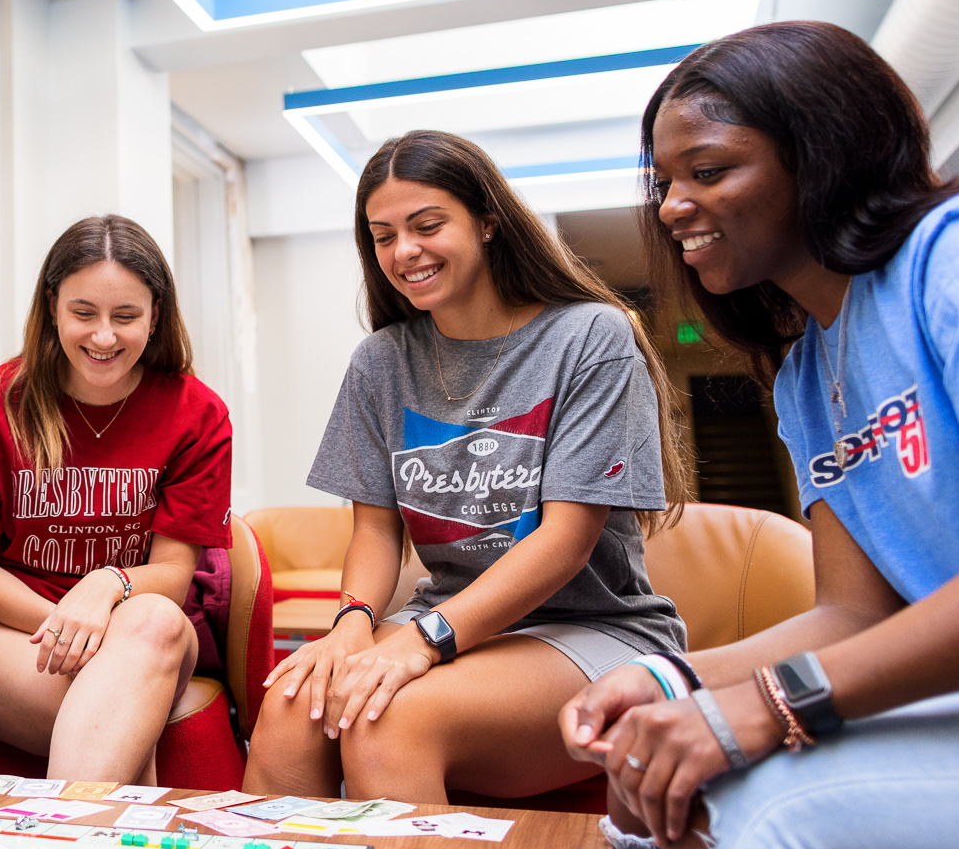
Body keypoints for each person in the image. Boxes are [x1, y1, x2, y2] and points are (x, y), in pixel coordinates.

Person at [560, 22, 959, 849]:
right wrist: (674, 679)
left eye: (708, 171)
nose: (674, 207)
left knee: (755, 812)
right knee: (650, 781)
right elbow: (850, 615)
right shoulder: (806, 371)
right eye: (665, 182)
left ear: (818, 152)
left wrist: (774, 705)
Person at [244, 130, 690, 803]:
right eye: (383, 235)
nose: (404, 251)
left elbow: (566, 541)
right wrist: (352, 625)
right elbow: (375, 532)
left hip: (592, 629)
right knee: (289, 708)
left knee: (383, 718)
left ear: (487, 222)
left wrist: (425, 640)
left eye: (427, 225)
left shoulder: (590, 336)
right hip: (445, 619)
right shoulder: (381, 362)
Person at [0, 216, 232, 783]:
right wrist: (74, 628)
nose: (103, 337)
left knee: (154, 620)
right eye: (84, 313)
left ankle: (60, 848)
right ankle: (102, 848)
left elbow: (174, 575)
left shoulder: (198, 414)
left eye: (126, 316)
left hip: (135, 625)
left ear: (156, 315)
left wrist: (106, 584)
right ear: (53, 306)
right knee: (124, 705)